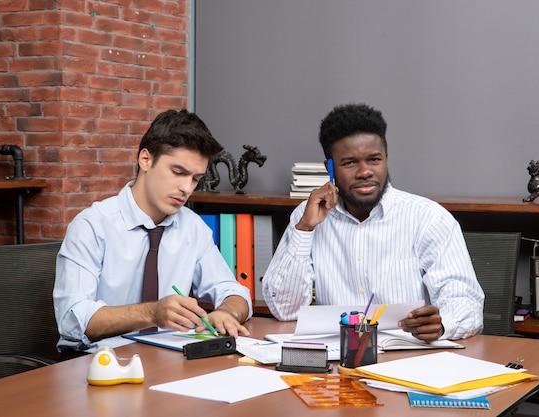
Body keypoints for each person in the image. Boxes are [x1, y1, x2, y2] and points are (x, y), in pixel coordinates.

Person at [263, 103, 484, 342]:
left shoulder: (428, 218)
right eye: (349, 163)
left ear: (386, 159)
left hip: (409, 358)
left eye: (374, 159)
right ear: (330, 167)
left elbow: (467, 304)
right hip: (338, 361)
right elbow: (286, 310)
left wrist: (443, 324)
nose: (364, 172)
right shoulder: (307, 217)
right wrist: (304, 230)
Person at [54, 109, 252, 355]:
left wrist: (226, 312)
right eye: (178, 173)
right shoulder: (92, 226)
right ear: (145, 160)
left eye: (195, 179)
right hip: (97, 362)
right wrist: (152, 313)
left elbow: (232, 291)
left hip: (166, 359)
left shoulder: (193, 227)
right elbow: (73, 320)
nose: (186, 188)